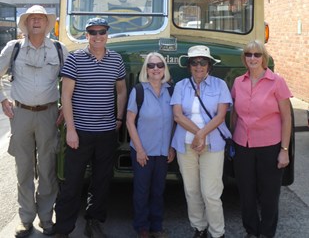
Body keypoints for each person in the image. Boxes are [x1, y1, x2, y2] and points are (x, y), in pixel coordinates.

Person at [54, 17, 127, 238]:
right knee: (72, 181)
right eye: (93, 32)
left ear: (107, 34)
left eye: (101, 32)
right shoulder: (75, 59)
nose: (97, 36)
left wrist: (118, 119)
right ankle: (63, 228)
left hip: (106, 131)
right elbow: (66, 95)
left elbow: (121, 90)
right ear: (87, 36)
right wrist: (72, 130)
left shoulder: (116, 60)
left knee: (102, 180)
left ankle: (94, 221)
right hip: (80, 132)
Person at [0, 5, 68, 238]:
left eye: (40, 18)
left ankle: (47, 218)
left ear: (47, 24)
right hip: (21, 115)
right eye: (32, 19)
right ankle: (25, 218)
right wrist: (3, 100)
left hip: (50, 115)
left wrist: (66, 110)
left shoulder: (60, 49)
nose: (36, 21)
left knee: (48, 168)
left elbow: (71, 82)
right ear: (26, 24)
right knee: (24, 169)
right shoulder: (14, 48)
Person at [231, 40, 292, 238]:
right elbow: (234, 114)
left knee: (269, 194)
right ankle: (251, 231)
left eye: (257, 55)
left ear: (264, 58)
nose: (253, 58)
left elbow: (286, 117)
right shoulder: (238, 82)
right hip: (243, 145)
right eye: (249, 54)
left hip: (270, 146)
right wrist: (231, 139)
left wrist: (284, 150)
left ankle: (266, 233)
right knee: (246, 193)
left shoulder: (277, 82)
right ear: (244, 58)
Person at [171, 45, 232, 238]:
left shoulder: (219, 85)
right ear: (189, 66)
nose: (199, 66)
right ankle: (199, 228)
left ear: (209, 65)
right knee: (191, 190)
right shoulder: (181, 86)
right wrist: (199, 134)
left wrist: (203, 135)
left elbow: (221, 116)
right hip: (186, 145)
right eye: (194, 62)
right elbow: (178, 116)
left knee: (211, 193)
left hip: (212, 145)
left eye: (203, 62)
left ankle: (217, 232)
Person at [126, 52, 175, 238]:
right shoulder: (138, 91)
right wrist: (139, 149)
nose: (156, 69)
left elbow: (175, 121)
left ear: (165, 69)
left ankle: (156, 226)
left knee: (158, 191)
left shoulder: (171, 91)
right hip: (143, 151)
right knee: (141, 191)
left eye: (160, 65)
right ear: (146, 69)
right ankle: (142, 228)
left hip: (163, 151)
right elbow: (130, 121)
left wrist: (171, 147)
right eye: (151, 65)